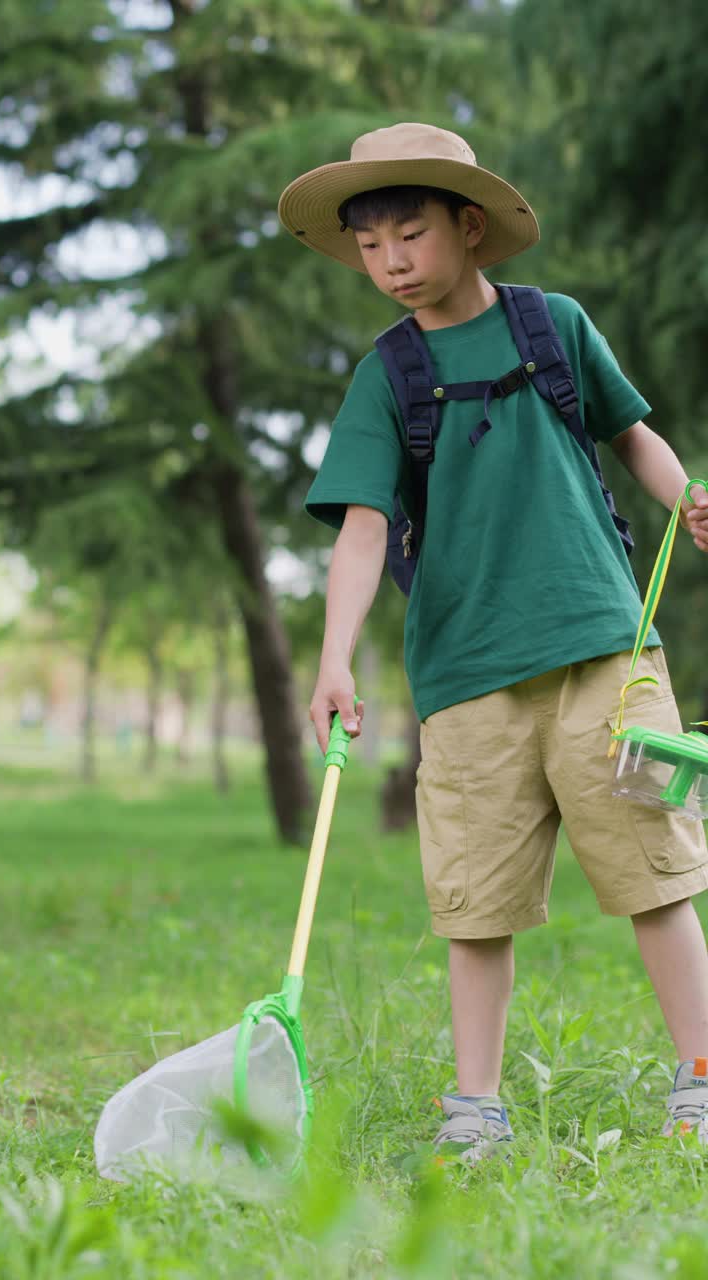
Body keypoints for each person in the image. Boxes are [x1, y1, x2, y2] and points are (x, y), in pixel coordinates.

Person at [278, 122, 708, 1164]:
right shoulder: (388, 374)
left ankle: (701, 1073)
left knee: (660, 874)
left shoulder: (555, 325)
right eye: (370, 246)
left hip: (607, 656)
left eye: (410, 235)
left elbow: (631, 431)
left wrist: (687, 492)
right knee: (475, 903)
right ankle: (476, 1107)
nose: (390, 262)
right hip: (467, 682)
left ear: (470, 227)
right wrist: (334, 657)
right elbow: (364, 527)